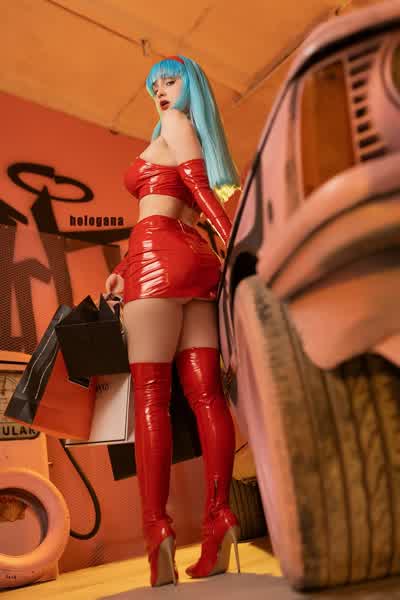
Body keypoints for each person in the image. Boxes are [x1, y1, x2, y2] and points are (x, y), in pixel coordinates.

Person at [105, 55, 241, 587]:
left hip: (157, 257)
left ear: (191, 86)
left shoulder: (175, 124)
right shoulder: (192, 132)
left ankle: (156, 530)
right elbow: (189, 200)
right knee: (207, 395)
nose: (161, 91)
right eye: (154, 85)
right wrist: (122, 269)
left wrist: (235, 242)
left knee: (150, 397)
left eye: (170, 80)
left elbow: (196, 189)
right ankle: (219, 518)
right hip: (194, 261)